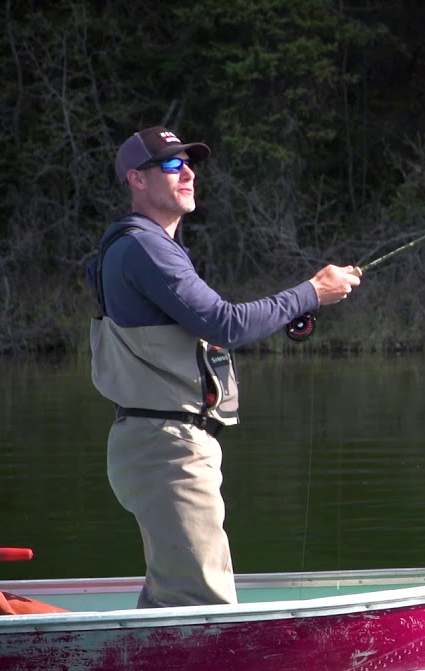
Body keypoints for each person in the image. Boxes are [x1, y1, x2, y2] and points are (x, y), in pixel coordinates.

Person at [85, 126, 361, 608]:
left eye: (189, 163)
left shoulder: (141, 247)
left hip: (157, 443)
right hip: (167, 450)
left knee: (173, 597)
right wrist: (312, 292)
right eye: (171, 165)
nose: (188, 171)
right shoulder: (146, 248)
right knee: (201, 603)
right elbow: (226, 322)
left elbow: (205, 329)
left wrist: (294, 306)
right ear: (137, 179)